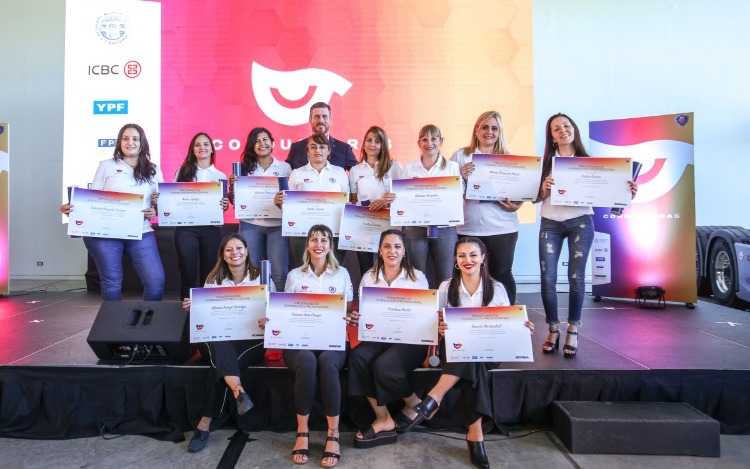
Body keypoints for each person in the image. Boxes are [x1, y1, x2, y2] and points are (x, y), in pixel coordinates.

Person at [404, 237, 534, 469]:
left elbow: (508, 325)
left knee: (472, 355)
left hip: (491, 350)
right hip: (456, 349)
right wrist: (439, 326)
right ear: (455, 259)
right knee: (470, 358)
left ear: (483, 258)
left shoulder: (497, 288)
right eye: (462, 255)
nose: (468, 260)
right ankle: (475, 435)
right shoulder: (446, 287)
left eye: (473, 255)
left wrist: (523, 327)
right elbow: (434, 321)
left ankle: (435, 397)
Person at [536, 113, 637, 357]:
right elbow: (534, 198)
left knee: (576, 277)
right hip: (550, 222)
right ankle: (552, 328)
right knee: (548, 278)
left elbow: (611, 197)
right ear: (551, 136)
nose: (562, 130)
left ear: (574, 130)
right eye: (556, 128)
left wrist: (627, 193)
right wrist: (543, 189)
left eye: (566, 126)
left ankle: (572, 329)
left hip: (581, 222)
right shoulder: (545, 163)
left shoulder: (591, 163)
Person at [181, 233, 274, 453]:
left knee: (222, 363)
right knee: (220, 342)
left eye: (239, 248)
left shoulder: (262, 277)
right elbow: (206, 319)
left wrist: (269, 318)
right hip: (216, 339)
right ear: (222, 255)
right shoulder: (213, 280)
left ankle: (204, 424)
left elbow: (274, 311)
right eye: (229, 250)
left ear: (247, 250)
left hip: (251, 338)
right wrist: (195, 308)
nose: (235, 253)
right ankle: (238, 390)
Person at [276, 224, 354, 467]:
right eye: (313, 239)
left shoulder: (342, 274)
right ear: (307, 244)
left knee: (328, 362)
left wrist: (347, 316)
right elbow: (286, 311)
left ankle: (333, 433)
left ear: (331, 245)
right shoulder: (294, 275)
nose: (318, 244)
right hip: (300, 340)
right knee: (308, 362)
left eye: (324, 240)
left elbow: (349, 309)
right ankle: (303, 431)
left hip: (332, 339)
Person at [60, 123, 164, 301]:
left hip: (141, 232)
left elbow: (161, 203)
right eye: (125, 138)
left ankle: (148, 323)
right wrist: (72, 209)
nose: (130, 142)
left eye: (135, 139)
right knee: (112, 282)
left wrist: (154, 211)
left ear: (142, 143)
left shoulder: (153, 170)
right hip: (107, 234)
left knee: (156, 282)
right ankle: (113, 325)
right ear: (119, 142)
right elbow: (93, 200)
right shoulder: (107, 166)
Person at [347, 229, 429, 449]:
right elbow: (365, 315)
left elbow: (425, 316)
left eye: (397, 247)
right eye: (387, 246)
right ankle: (383, 418)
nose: (392, 251)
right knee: (358, 357)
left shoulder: (417, 278)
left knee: (384, 365)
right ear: (380, 251)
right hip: (380, 336)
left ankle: (414, 403)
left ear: (404, 252)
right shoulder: (369, 277)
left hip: (410, 340)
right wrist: (357, 319)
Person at [452, 111, 522, 305]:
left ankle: (507, 320)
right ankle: (468, 321)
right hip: (468, 228)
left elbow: (520, 194)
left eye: (494, 128)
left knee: (502, 274)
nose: (489, 132)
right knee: (468, 276)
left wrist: (514, 205)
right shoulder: (460, 156)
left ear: (500, 133)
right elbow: (449, 193)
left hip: (503, 227)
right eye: (484, 127)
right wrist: (462, 178)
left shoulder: (509, 159)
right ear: (476, 130)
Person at [383, 124, 461, 288]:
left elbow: (457, 197)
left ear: (441, 141)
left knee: (446, 275)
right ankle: (421, 311)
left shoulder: (452, 168)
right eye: (424, 139)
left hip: (445, 228)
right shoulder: (409, 168)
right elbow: (402, 198)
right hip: (415, 229)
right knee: (416, 274)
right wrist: (393, 198)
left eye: (433, 139)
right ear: (419, 143)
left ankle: (443, 311)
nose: (429, 143)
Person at [228, 127, 292, 292]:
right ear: (251, 145)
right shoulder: (242, 169)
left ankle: (278, 313)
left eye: (265, 139)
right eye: (256, 140)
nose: (261, 143)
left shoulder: (285, 168)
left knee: (279, 273)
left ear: (272, 143)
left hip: (278, 226)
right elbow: (235, 201)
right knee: (249, 271)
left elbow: (291, 199)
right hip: (251, 225)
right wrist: (233, 188)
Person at [274, 133, 350, 268]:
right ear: (307, 151)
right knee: (304, 273)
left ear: (329, 150)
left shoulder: (340, 173)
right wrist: (280, 204)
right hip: (302, 234)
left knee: (334, 272)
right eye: (313, 147)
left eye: (322, 147)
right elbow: (288, 208)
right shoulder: (297, 173)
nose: (318, 150)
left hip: (334, 233)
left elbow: (347, 202)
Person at [173, 132, 230, 300]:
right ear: (193, 149)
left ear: (212, 149)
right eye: (197, 145)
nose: (202, 147)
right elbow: (174, 200)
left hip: (210, 230)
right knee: (188, 274)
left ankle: (205, 317)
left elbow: (221, 205)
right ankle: (185, 317)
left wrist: (224, 205)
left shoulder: (220, 176)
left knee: (209, 275)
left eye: (206, 144)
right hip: (186, 229)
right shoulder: (182, 172)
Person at [348, 126, 402, 276]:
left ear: (383, 145)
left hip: (388, 224)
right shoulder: (355, 170)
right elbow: (353, 199)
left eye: (377, 141)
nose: (372, 144)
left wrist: (386, 201)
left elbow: (403, 196)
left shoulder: (394, 167)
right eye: (369, 140)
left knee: (388, 266)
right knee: (365, 269)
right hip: (364, 225)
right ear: (363, 144)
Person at [285, 102, 358, 171]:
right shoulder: (296, 148)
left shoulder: (344, 149)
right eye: (317, 117)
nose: (321, 120)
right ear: (310, 120)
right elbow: (284, 173)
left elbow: (359, 172)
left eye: (324, 116)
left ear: (330, 120)